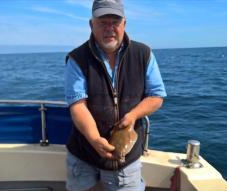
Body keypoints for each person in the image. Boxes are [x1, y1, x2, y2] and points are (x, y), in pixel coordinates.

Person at [64, 0, 166, 190]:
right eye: (102, 22)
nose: (109, 28)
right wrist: (94, 139)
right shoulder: (77, 59)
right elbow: (77, 105)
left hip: (125, 158)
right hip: (83, 152)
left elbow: (156, 96)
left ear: (124, 24)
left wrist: (133, 115)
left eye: (115, 22)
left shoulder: (144, 54)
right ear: (91, 24)